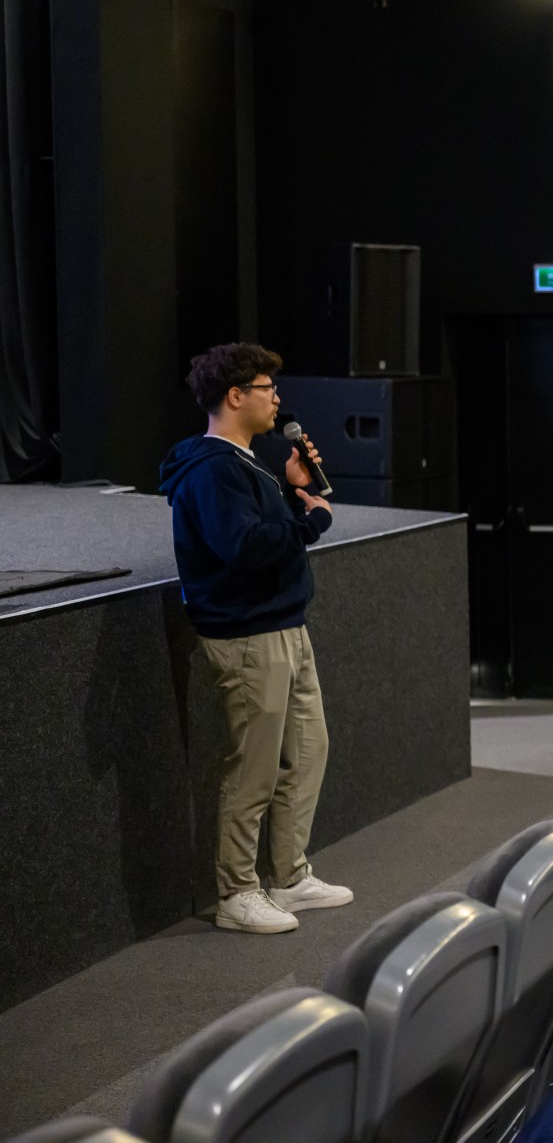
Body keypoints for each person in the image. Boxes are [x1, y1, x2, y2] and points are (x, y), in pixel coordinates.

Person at [156, 343, 352, 935]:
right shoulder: (212, 468)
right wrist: (312, 521)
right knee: (255, 770)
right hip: (247, 635)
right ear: (236, 396)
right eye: (268, 389)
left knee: (307, 752)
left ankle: (289, 877)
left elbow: (258, 530)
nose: (277, 399)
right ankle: (237, 892)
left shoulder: (244, 461)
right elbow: (241, 547)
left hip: (285, 625)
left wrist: (293, 489)